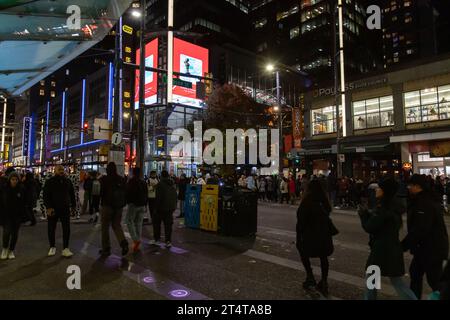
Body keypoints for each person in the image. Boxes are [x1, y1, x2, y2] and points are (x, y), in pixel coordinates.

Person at [358, 178, 417, 300]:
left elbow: (370, 227)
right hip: (391, 248)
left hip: (381, 250)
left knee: (373, 278)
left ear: (385, 191)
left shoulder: (383, 208)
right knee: (395, 281)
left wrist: (363, 215)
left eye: (379, 188)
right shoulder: (392, 206)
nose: (376, 190)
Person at [402, 174, 449, 299]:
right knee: (415, 274)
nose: (408, 188)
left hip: (432, 249)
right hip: (424, 248)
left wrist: (404, 245)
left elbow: (420, 228)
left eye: (410, 185)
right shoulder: (421, 200)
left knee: (435, 280)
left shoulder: (424, 203)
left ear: (418, 187)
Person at [296, 179, 335, 296]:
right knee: (323, 257)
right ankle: (324, 281)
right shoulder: (324, 202)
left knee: (304, 253)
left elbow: (301, 221)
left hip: (310, 236)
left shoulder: (306, 202)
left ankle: (310, 276)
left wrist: (299, 236)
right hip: (323, 235)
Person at [43, 165, 76, 258]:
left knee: (66, 228)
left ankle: (65, 248)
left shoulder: (67, 181)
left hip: (65, 208)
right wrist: (48, 207)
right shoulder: (50, 182)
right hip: (53, 208)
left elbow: (72, 194)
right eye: (59, 170)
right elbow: (46, 195)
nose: (61, 171)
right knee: (51, 228)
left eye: (62, 169)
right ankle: (52, 247)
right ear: (55, 171)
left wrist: (73, 206)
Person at [99, 162, 129, 257]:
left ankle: (106, 249)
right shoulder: (121, 179)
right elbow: (125, 192)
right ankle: (123, 243)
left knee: (105, 228)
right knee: (117, 225)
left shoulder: (104, 179)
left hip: (107, 206)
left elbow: (101, 192)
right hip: (119, 207)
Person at [1, 172, 26, 260]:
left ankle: (11, 250)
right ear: (9, 180)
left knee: (15, 234)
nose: (14, 181)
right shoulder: (4, 189)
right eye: (13, 179)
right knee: (6, 232)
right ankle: (4, 249)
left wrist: (23, 215)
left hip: (17, 215)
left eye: (16, 179)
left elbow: (24, 203)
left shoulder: (21, 189)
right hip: (6, 215)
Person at [126, 167, 148, 253]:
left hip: (133, 205)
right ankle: (137, 241)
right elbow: (146, 193)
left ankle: (135, 239)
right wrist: (146, 204)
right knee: (138, 223)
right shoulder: (143, 182)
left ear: (133, 173)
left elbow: (128, 192)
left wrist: (128, 201)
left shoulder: (131, 181)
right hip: (142, 205)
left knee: (128, 221)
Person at [154, 170, 178, 248]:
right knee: (168, 225)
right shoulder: (173, 184)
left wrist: (156, 207)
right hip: (170, 208)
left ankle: (157, 239)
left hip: (161, 208)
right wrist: (174, 206)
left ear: (161, 176)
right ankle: (168, 240)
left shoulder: (160, 184)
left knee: (157, 224)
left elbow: (158, 197)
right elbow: (175, 196)